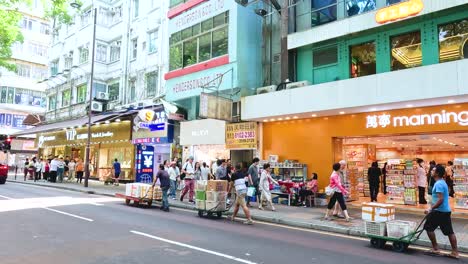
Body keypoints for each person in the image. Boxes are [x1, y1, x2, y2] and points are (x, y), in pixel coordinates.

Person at [424, 164, 459, 259]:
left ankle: (436, 248)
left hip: (439, 211)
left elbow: (440, 200)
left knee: (428, 227)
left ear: (437, 173)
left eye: (433, 170)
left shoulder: (438, 184)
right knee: (449, 232)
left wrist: (431, 209)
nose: (431, 171)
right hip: (445, 211)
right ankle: (455, 252)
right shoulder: (442, 182)